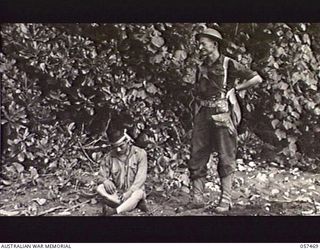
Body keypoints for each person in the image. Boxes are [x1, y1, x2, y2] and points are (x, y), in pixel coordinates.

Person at [188, 28, 263, 213]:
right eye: (199, 43)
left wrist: (236, 89)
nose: (200, 47)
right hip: (202, 113)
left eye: (203, 43)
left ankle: (226, 199)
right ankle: (197, 197)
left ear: (214, 44)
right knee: (197, 153)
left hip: (222, 115)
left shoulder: (228, 64)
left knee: (225, 155)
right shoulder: (201, 66)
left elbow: (256, 78)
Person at [96, 125, 148, 216]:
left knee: (138, 193)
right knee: (100, 188)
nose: (118, 150)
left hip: (134, 192)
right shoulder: (109, 157)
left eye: (121, 146)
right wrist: (105, 181)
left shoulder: (140, 154)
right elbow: (100, 176)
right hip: (119, 195)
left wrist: (129, 193)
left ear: (127, 141)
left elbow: (141, 179)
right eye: (115, 147)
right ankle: (131, 205)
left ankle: (115, 211)